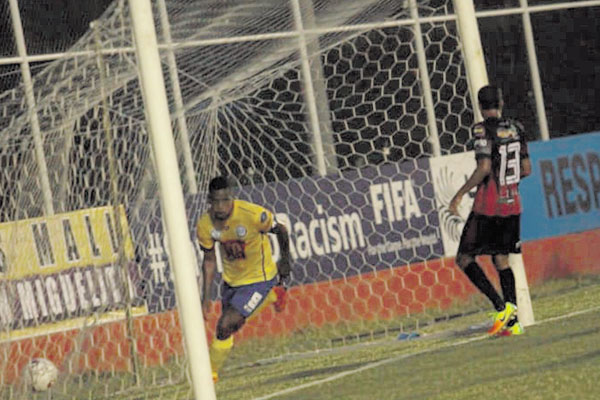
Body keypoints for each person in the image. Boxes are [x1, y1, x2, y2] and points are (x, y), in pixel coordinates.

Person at [449, 85, 531, 337]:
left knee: (464, 258)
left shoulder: (482, 129)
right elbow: (526, 169)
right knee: (502, 260)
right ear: (501, 102)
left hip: (488, 206)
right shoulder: (517, 128)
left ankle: (501, 307)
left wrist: (460, 193)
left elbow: (484, 167)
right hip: (512, 204)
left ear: (480, 106)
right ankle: (513, 321)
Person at [197, 176, 291, 382]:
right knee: (229, 326)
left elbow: (281, 230)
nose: (220, 207)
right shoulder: (205, 224)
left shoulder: (252, 214)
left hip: (260, 278)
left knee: (225, 325)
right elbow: (209, 260)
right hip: (232, 282)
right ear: (209, 201)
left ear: (232, 198)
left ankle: (208, 375)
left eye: (224, 200)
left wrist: (285, 262)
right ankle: (274, 295)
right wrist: (205, 298)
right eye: (215, 201)